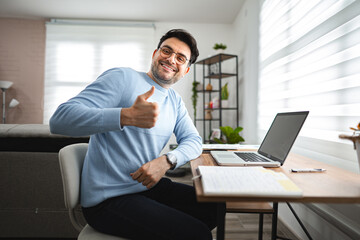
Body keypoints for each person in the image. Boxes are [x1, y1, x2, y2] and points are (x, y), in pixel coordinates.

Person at [50, 29, 224, 240]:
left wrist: (167, 161)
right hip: (108, 200)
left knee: (216, 207)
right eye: (166, 51)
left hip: (145, 187)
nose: (170, 59)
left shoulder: (175, 101)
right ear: (154, 54)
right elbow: (60, 120)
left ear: (185, 70)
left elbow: (194, 141)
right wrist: (125, 116)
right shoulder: (123, 78)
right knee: (197, 234)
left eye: (180, 58)